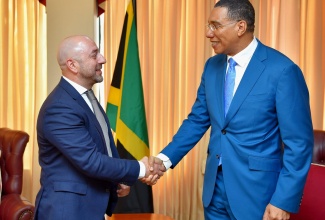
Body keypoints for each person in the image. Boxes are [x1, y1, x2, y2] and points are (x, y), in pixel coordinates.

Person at [154, 0, 314, 219]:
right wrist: (163, 160)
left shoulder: (283, 71)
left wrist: (283, 200)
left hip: (258, 194)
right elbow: (197, 121)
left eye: (215, 25)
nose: (208, 33)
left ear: (240, 27)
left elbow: (299, 143)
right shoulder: (212, 67)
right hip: (214, 191)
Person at [35, 35, 164, 220]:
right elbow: (91, 161)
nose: (102, 59)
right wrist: (141, 169)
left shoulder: (85, 97)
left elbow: (103, 145)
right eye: (94, 55)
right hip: (67, 212)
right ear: (73, 65)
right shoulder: (60, 107)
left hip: (88, 209)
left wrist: (118, 178)